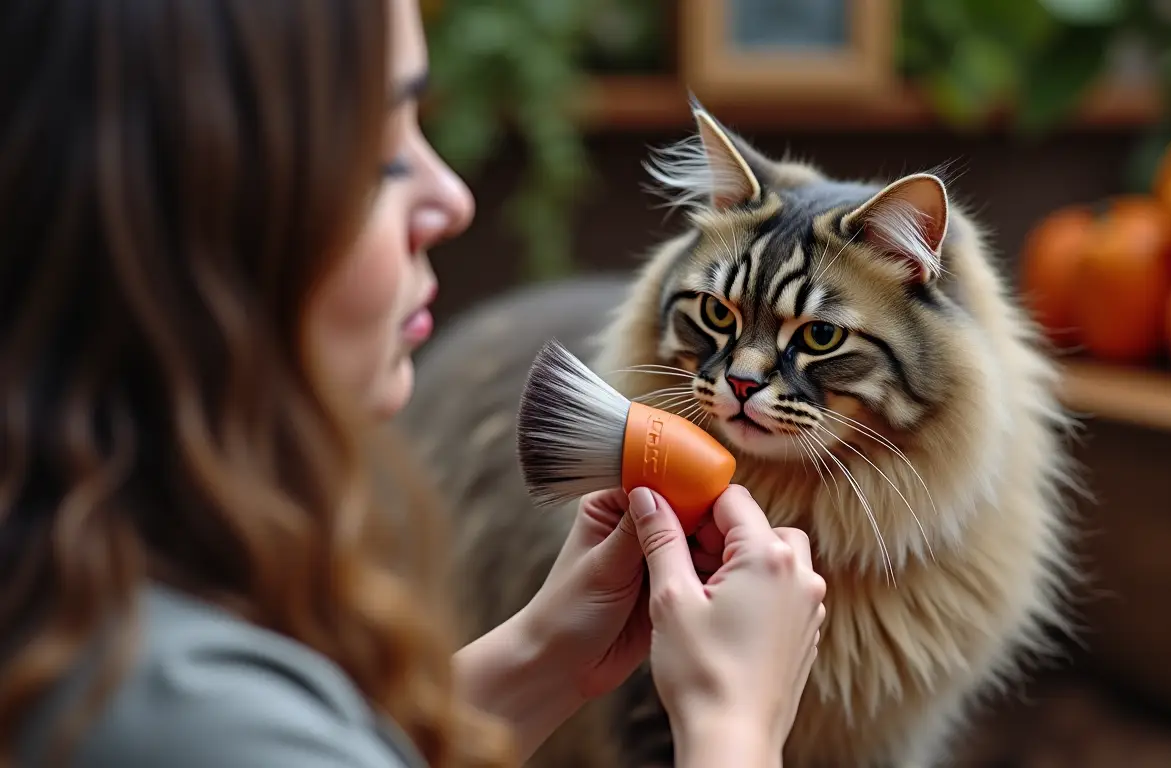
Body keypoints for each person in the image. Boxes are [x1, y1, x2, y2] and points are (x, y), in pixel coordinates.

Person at [0, 0, 827, 766]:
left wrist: (545, 656)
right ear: (194, 219)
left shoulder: (85, 602)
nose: (453, 198)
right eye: (379, 152)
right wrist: (732, 725)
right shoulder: (185, 716)